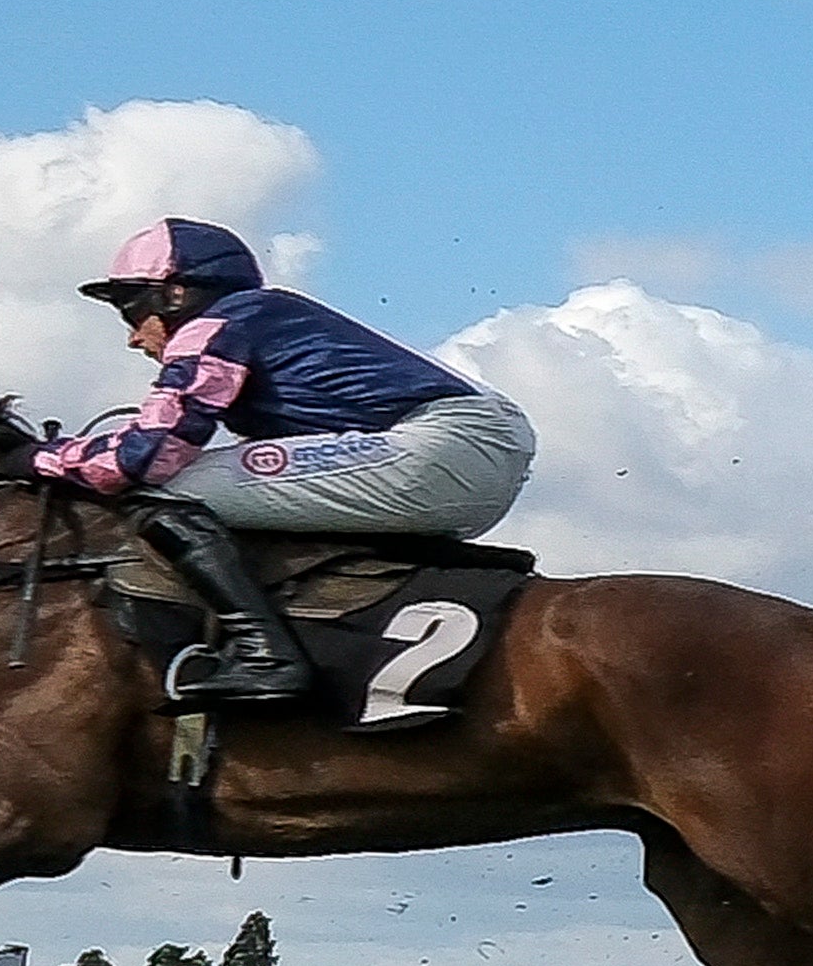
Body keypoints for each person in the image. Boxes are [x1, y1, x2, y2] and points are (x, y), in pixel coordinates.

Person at [30, 216, 538, 706]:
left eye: (131, 312)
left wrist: (46, 458)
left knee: (164, 490)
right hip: (473, 452)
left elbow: (148, 456)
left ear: (175, 294)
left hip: (444, 444)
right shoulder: (258, 316)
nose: (133, 337)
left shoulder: (218, 323)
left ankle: (265, 653)